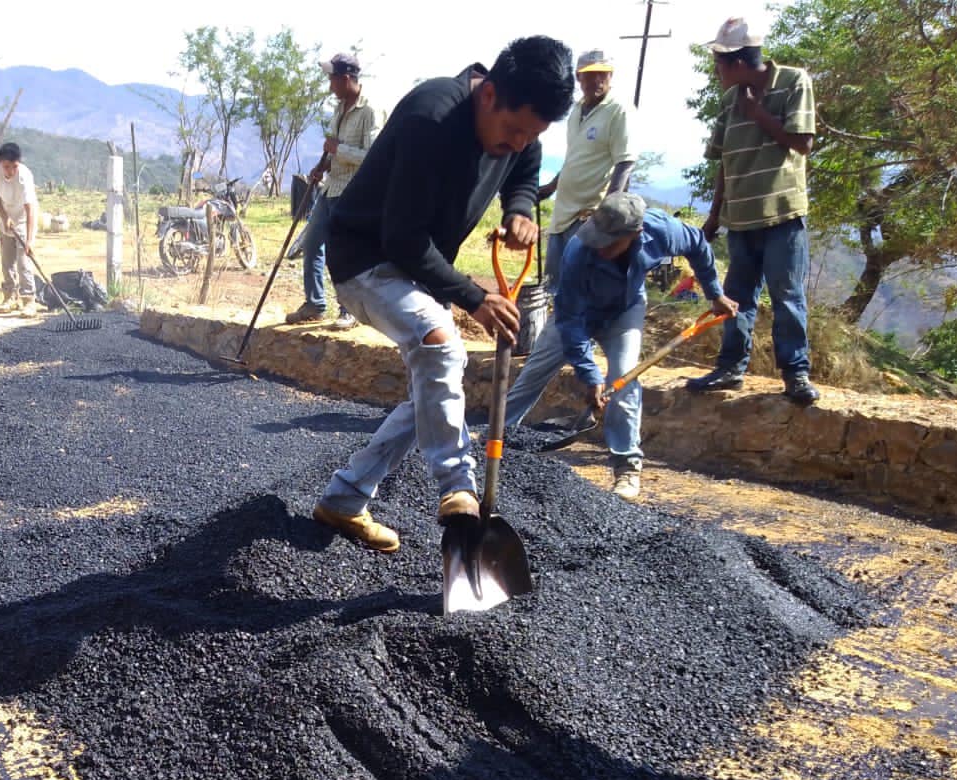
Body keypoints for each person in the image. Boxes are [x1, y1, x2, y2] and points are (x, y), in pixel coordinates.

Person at [311, 36, 575, 554]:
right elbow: (402, 238)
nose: (519, 142)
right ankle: (459, 486)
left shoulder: (520, 129)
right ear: (489, 94)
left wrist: (519, 209)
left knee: (434, 388)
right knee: (441, 343)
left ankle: (344, 498)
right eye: (514, 130)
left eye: (532, 133)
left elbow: (526, 168)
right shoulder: (429, 117)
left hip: (420, 266)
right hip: (364, 258)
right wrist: (474, 296)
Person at [503, 193, 738, 501]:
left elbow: (697, 243)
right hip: (579, 312)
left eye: (609, 243)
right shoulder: (579, 250)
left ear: (635, 234)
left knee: (625, 379)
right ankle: (496, 442)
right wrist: (589, 375)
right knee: (534, 372)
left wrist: (714, 293)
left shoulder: (660, 231)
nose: (600, 249)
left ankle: (626, 467)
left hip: (624, 311)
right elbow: (571, 320)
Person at [687, 16, 820, 405]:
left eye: (719, 63)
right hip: (740, 219)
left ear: (739, 64)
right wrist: (714, 216)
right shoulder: (729, 102)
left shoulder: (794, 82)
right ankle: (731, 367)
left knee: (787, 295)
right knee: (736, 298)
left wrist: (757, 111)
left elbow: (803, 143)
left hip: (781, 214)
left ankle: (796, 374)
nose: (717, 72)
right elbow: (724, 162)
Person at [286, 52, 382, 332]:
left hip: (354, 193)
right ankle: (315, 304)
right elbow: (332, 149)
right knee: (313, 243)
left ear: (346, 78)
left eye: (332, 79)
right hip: (331, 188)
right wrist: (322, 167)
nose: (329, 85)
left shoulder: (370, 111)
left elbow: (373, 156)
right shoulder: (339, 109)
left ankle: (348, 311)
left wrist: (338, 150)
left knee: (342, 253)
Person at [537, 49, 634, 297]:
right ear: (579, 78)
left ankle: (577, 336)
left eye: (603, 74)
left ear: (611, 76)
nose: (597, 81)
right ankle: (556, 336)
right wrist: (550, 187)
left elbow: (625, 162)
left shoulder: (619, 110)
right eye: (590, 76)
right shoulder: (577, 111)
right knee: (554, 290)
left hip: (587, 217)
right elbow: (575, 158)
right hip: (562, 214)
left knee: (580, 292)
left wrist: (608, 211)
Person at [0, 142, 40, 317]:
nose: (10, 171)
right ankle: (10, 297)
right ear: (1, 163)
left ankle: (29, 300)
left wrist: (30, 241)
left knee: (23, 261)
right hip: (6, 215)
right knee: (7, 260)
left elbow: (30, 209)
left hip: (23, 218)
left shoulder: (24, 177)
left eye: (14, 166)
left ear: (19, 163)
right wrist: (4, 215)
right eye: (7, 167)